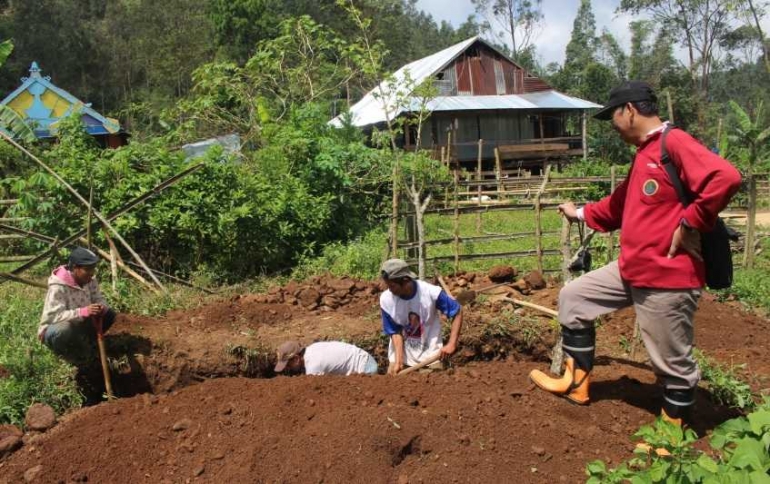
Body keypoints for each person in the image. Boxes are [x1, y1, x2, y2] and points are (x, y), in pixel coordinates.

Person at [529, 81, 741, 426]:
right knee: (574, 297)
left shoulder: (674, 142)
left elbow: (726, 177)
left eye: (612, 115)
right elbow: (617, 206)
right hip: (632, 268)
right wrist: (579, 212)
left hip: (666, 276)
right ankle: (576, 383)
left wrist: (691, 221)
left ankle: (674, 433)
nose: (612, 125)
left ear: (629, 111)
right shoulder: (646, 152)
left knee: (670, 361)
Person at [379, 259, 463, 375]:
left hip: (430, 357)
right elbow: (395, 332)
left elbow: (457, 311)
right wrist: (398, 361)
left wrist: (452, 344)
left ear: (405, 280)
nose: (390, 290)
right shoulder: (386, 299)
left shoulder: (430, 293)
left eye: (392, 286)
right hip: (401, 357)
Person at [39, 247, 116, 368]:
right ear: (75, 267)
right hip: (55, 330)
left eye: (93, 268)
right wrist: (83, 312)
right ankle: (68, 354)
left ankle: (87, 343)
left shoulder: (90, 280)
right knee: (64, 329)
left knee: (109, 314)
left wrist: (102, 307)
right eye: (88, 269)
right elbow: (54, 317)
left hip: (80, 324)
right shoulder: (58, 287)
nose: (92, 272)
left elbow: (98, 298)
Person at [274, 340, 379, 376]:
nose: (288, 368)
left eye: (288, 364)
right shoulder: (312, 348)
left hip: (365, 368)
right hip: (366, 358)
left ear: (296, 359)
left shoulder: (312, 367)